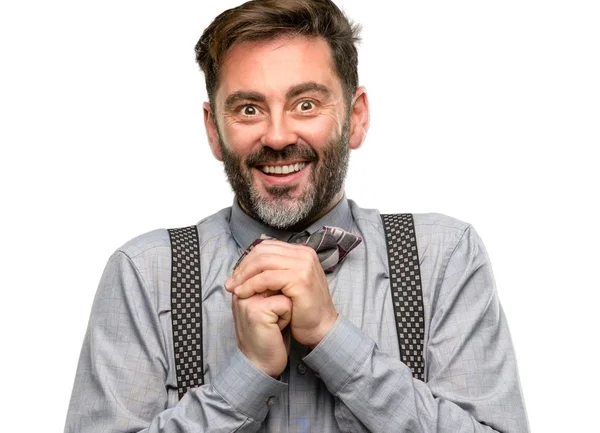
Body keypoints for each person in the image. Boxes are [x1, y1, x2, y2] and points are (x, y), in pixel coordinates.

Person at [64, 0, 529, 432]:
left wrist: (333, 339)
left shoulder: (442, 257)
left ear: (356, 116)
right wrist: (243, 378)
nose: (279, 135)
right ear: (213, 129)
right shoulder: (145, 273)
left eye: (306, 104)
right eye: (249, 109)